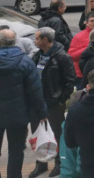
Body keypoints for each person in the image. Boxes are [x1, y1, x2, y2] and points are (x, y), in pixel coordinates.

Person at [1, 29, 48, 178]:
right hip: (18, 115)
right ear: (16, 41)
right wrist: (42, 113)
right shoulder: (25, 61)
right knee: (16, 150)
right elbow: (35, 90)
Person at [30, 27, 75, 178]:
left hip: (54, 103)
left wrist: (61, 100)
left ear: (45, 40)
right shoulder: (37, 56)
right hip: (37, 102)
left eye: (37, 38)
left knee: (56, 133)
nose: (34, 41)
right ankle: (41, 163)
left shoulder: (62, 57)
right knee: (38, 133)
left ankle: (59, 163)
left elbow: (70, 81)